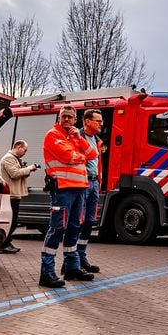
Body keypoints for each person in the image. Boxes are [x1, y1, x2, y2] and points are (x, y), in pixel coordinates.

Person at [40, 106, 98, 287]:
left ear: (75, 120)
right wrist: (81, 155)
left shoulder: (75, 136)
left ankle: (72, 267)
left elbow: (93, 154)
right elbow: (68, 156)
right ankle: (47, 272)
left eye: (70, 117)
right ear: (58, 118)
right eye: (63, 116)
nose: (66, 119)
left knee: (74, 227)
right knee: (57, 228)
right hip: (63, 189)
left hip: (79, 188)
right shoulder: (53, 135)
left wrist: (79, 138)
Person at [74, 108, 105, 274]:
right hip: (82, 183)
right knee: (77, 221)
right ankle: (73, 261)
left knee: (89, 221)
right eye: (98, 121)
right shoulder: (77, 137)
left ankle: (82, 255)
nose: (101, 124)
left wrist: (99, 181)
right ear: (87, 121)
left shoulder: (97, 140)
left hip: (94, 184)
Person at [0, 140, 39, 253]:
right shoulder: (8, 158)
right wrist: (29, 168)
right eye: (25, 150)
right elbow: (15, 174)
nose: (25, 152)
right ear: (19, 147)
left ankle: (6, 242)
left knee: (13, 221)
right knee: (11, 221)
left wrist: (28, 170)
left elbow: (19, 174)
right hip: (10, 195)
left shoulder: (14, 158)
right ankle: (3, 244)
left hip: (14, 194)